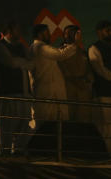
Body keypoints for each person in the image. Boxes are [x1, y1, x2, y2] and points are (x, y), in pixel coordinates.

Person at [29, 23, 77, 152]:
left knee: (54, 126)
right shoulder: (40, 47)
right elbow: (60, 54)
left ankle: (53, 151)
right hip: (47, 92)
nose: (49, 35)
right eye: (47, 32)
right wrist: (73, 43)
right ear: (40, 34)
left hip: (49, 91)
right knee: (47, 125)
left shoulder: (40, 48)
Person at [0, 21, 34, 154]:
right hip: (7, 92)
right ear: (9, 31)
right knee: (6, 125)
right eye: (17, 29)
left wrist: (20, 62)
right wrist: (22, 62)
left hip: (23, 91)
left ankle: (18, 150)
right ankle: (4, 153)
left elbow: (31, 64)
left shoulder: (21, 46)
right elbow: (10, 62)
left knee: (25, 123)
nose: (20, 32)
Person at [88, 19, 111, 157]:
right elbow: (100, 70)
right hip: (103, 93)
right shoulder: (94, 48)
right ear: (99, 32)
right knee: (107, 128)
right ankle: (106, 156)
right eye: (107, 30)